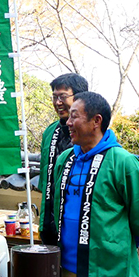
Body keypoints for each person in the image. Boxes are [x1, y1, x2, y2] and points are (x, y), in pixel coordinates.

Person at [53, 91, 139, 277]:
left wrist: (117, 245)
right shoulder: (65, 159)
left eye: (75, 116)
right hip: (67, 271)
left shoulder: (123, 162)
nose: (68, 123)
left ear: (96, 121)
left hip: (108, 273)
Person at [38, 73, 89, 245]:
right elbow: (46, 180)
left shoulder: (91, 133)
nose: (57, 102)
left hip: (79, 222)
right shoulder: (50, 132)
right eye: (54, 97)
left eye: (62, 97)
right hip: (50, 223)